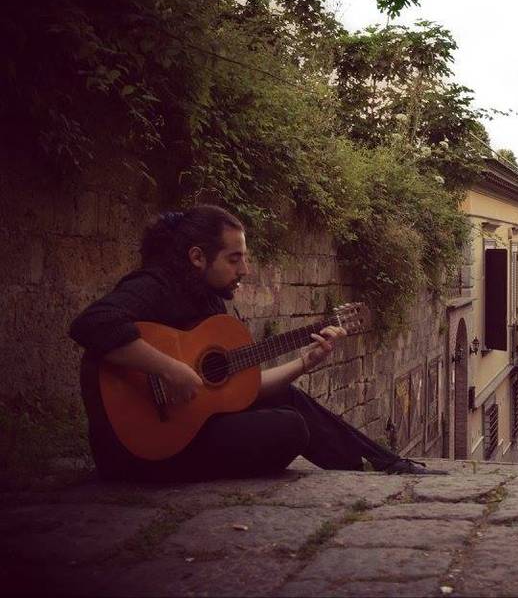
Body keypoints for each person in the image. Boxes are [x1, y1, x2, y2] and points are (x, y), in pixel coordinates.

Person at [69, 204, 446, 481]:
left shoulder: (210, 300)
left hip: (184, 435)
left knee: (290, 403)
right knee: (288, 429)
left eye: (245, 259)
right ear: (197, 257)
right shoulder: (155, 285)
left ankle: (383, 465)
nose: (245, 271)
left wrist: (305, 362)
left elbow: (239, 390)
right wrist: (170, 368)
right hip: (136, 453)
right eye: (235, 259)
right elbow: (92, 324)